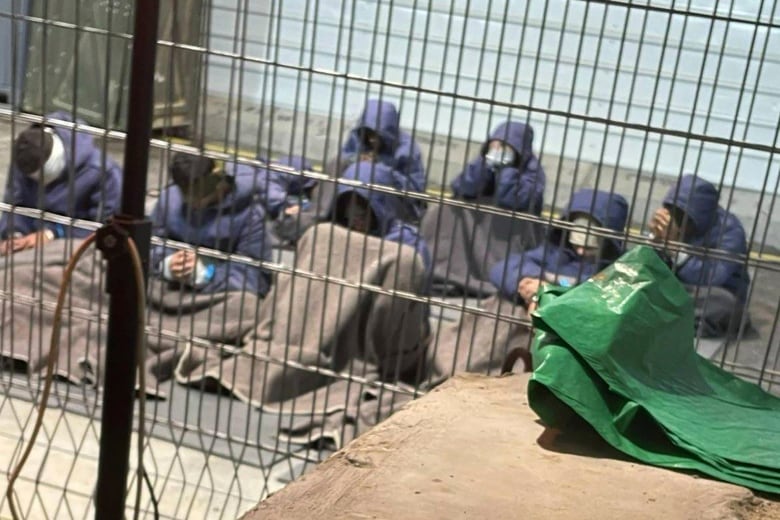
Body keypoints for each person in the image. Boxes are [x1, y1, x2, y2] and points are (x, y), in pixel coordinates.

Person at [150, 152, 274, 296]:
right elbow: (145, 248)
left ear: (220, 184)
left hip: (218, 291)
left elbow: (257, 278)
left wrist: (206, 274)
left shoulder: (250, 214)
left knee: (244, 302)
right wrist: (167, 264)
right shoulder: (170, 199)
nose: (193, 204)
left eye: (200, 199)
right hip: (171, 285)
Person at [0, 111, 122, 254]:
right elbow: (14, 204)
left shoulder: (104, 173)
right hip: (29, 243)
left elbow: (104, 229)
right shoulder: (24, 157)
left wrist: (52, 234)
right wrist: (15, 235)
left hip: (74, 248)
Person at [490, 188, 629, 311]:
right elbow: (503, 268)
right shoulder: (555, 252)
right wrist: (528, 282)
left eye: (589, 247)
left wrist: (548, 291)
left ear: (608, 241)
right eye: (575, 243)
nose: (580, 251)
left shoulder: (620, 267)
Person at [648, 174, 750, 338]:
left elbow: (713, 277)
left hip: (712, 294)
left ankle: (665, 319)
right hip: (678, 290)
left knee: (726, 306)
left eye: (683, 216)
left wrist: (674, 248)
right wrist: (655, 239)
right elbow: (650, 266)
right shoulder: (672, 222)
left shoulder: (731, 231)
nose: (676, 220)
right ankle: (668, 318)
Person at [339, 98, 427, 221]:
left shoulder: (408, 149)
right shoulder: (357, 138)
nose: (372, 140)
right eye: (369, 135)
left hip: (392, 204)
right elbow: (343, 158)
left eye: (377, 136)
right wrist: (355, 160)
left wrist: (381, 170)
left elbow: (415, 192)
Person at [450, 121, 545, 214]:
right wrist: (484, 167)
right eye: (493, 145)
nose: (496, 150)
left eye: (503, 146)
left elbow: (513, 200)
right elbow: (463, 187)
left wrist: (506, 169)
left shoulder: (532, 169)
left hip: (516, 226)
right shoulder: (484, 159)